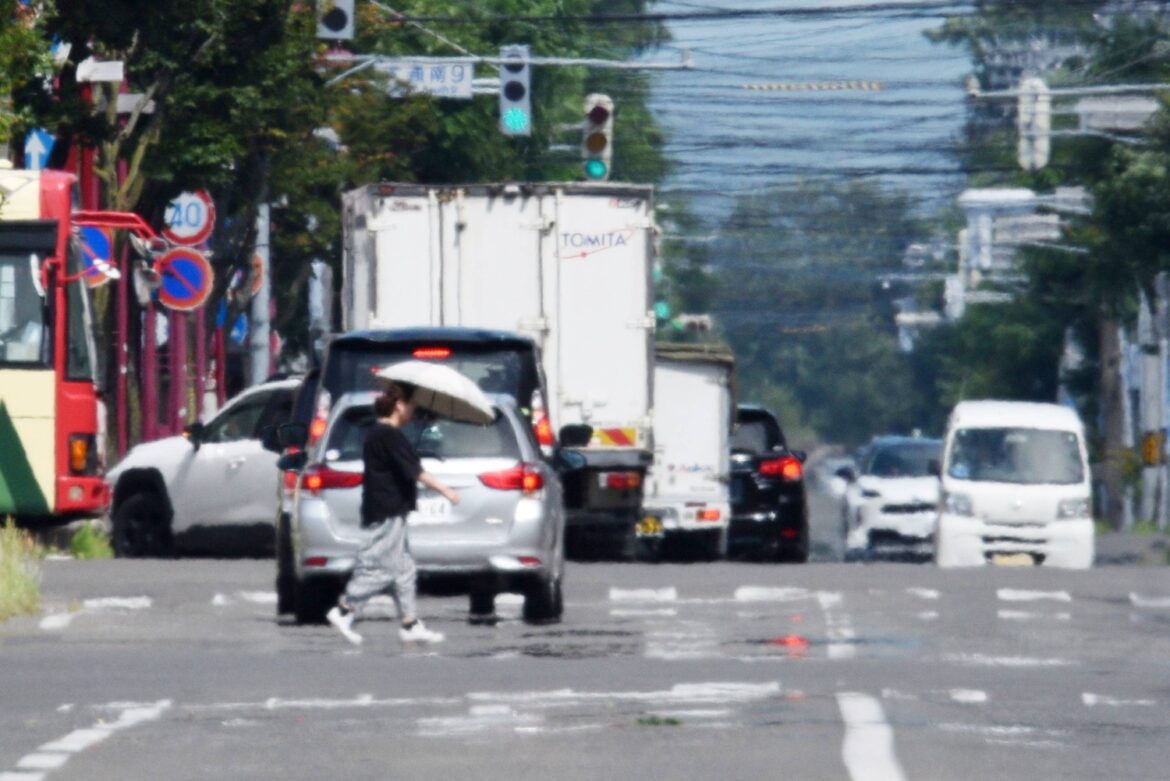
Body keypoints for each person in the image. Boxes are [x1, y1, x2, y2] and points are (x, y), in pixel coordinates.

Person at [326, 381, 460, 646]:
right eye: (410, 405)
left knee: (404, 570)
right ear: (399, 405)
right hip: (386, 511)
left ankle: (410, 624)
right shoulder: (388, 435)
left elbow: (404, 464)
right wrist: (447, 491)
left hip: (389, 508)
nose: (412, 410)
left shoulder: (380, 434)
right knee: (380, 568)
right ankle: (344, 609)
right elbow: (415, 471)